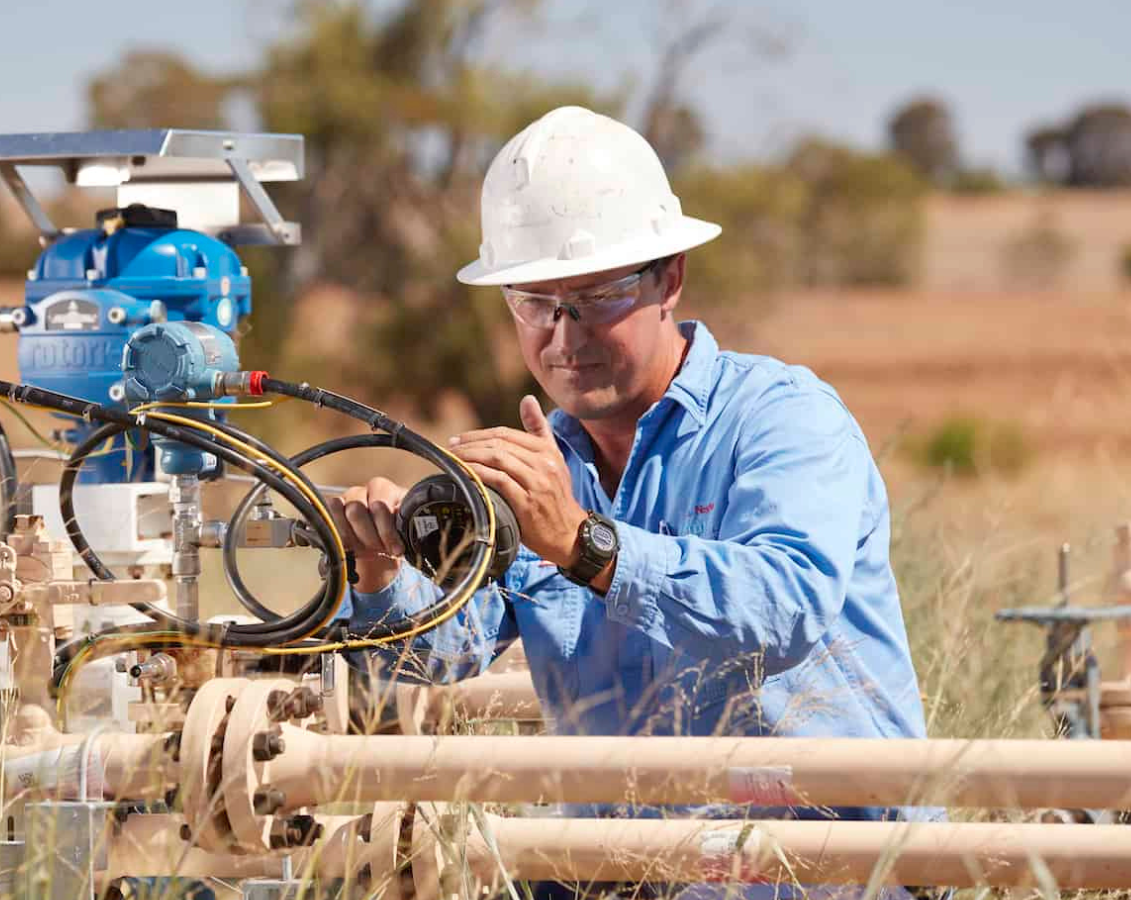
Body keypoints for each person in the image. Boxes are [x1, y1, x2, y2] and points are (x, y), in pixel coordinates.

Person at [331, 105, 930, 836]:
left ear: (669, 278)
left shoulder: (781, 417)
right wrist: (381, 578)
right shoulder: (540, 470)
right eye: (535, 304)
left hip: (819, 856)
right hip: (616, 864)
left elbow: (786, 608)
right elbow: (437, 663)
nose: (564, 336)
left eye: (597, 298)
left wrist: (584, 545)